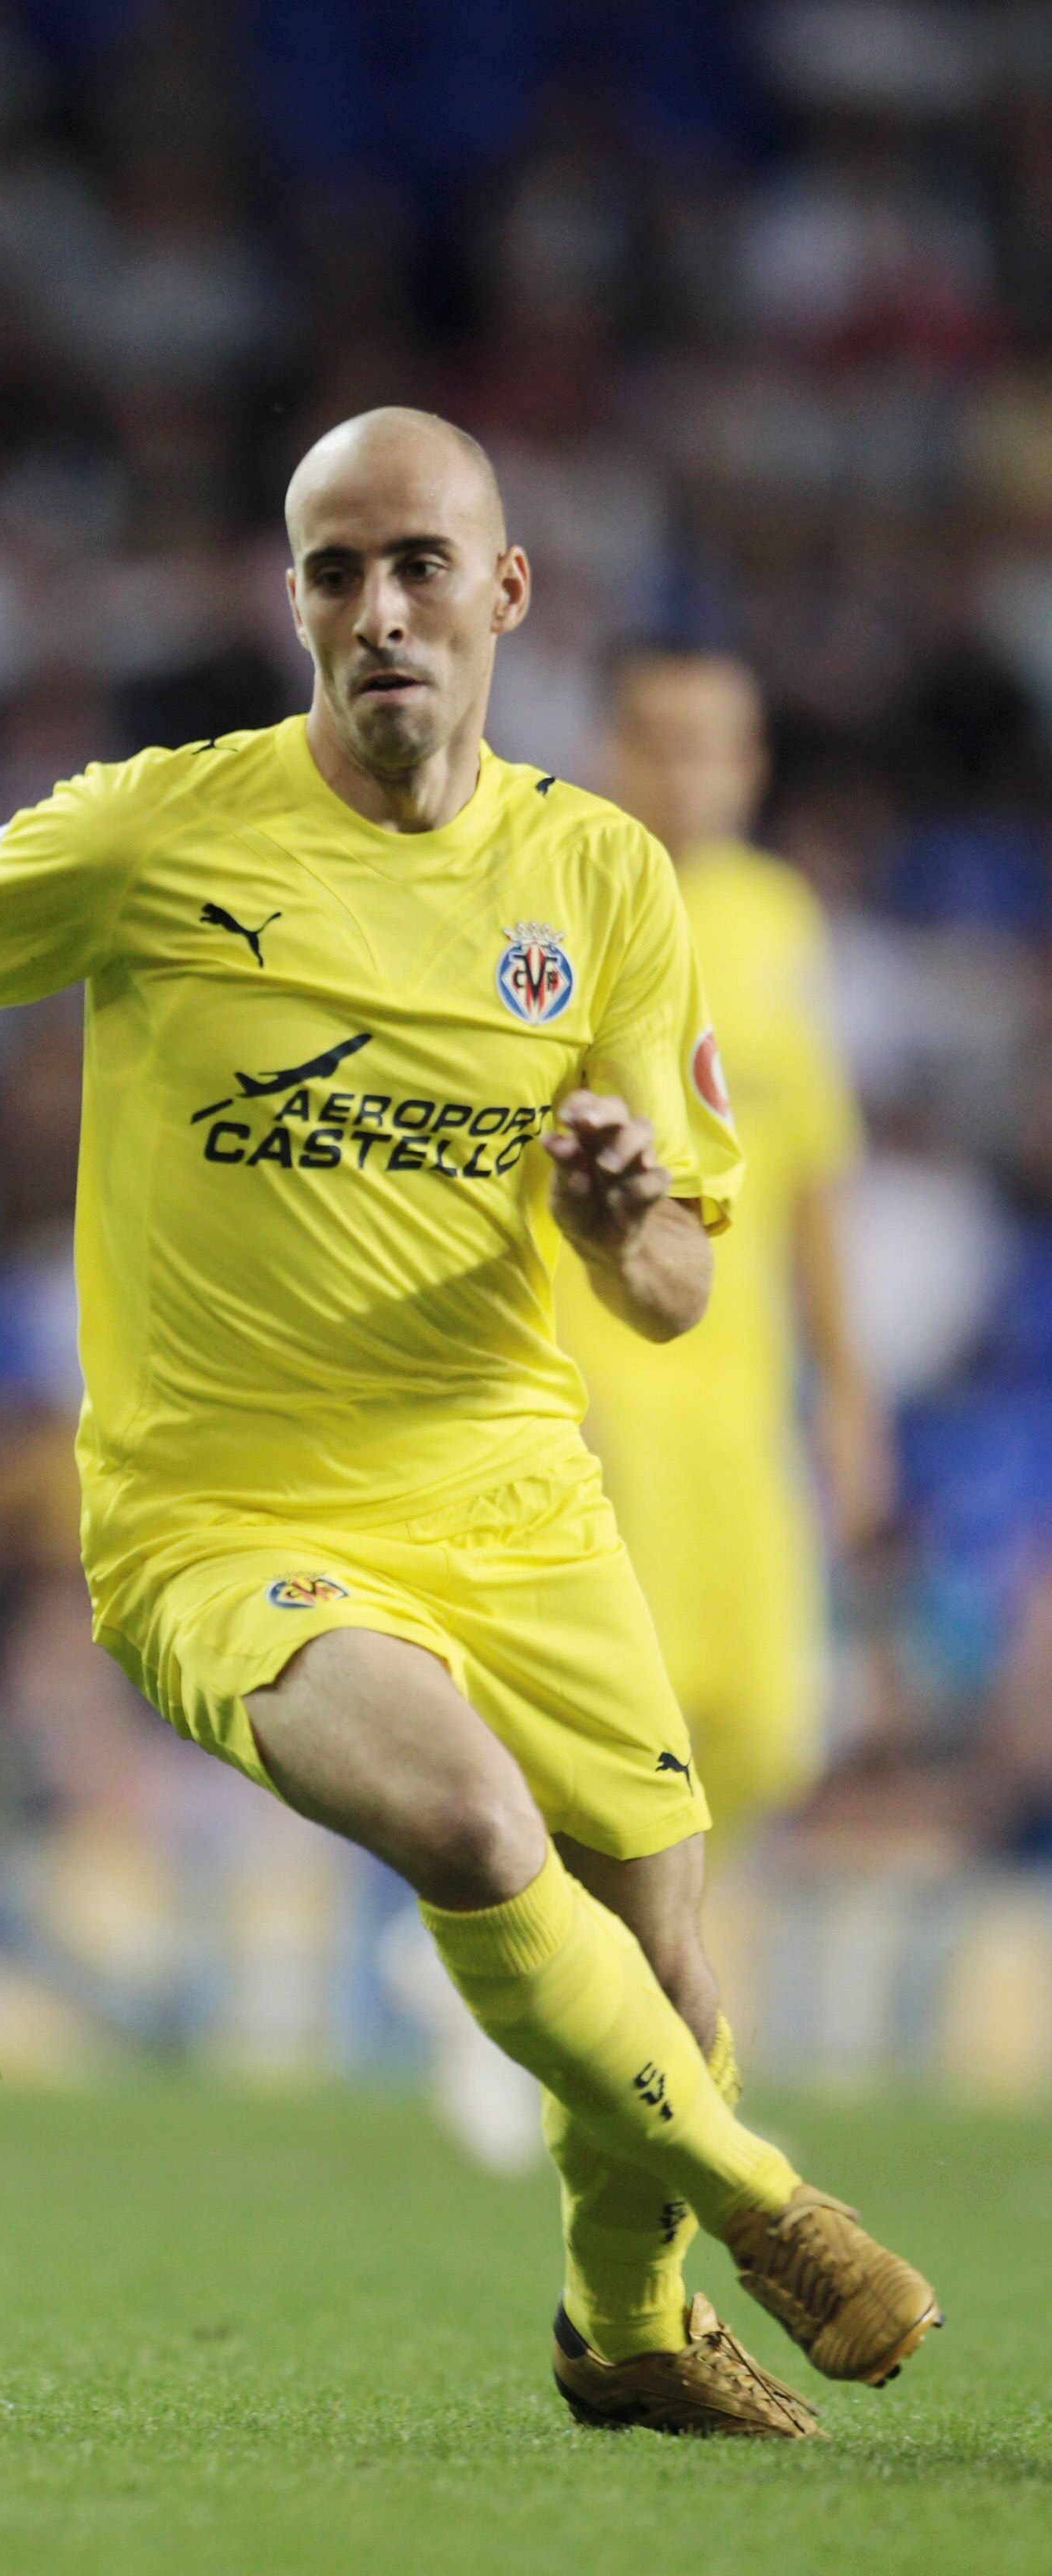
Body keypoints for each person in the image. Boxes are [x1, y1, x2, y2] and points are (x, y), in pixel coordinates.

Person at [0, 408, 937, 2437]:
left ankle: (623, 2330)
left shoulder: (602, 878)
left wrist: (623, 1224)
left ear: (508, 592)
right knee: (472, 1823)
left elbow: (680, 1282)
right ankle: (773, 2209)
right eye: (337, 572)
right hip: (223, 1515)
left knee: (670, 1964)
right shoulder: (157, 832)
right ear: (296, 603)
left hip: (514, 1492)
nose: (381, 610)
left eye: (421, 565)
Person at [556, 650, 892, 1834]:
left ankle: (609, 1936)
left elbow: (812, 1176)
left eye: (714, 748)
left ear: (752, 766)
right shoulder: (556, 905)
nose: (687, 774)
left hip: (745, 1396)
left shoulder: (777, 919)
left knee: (767, 1730)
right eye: (660, 742)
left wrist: (846, 1395)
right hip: (602, 1385)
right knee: (620, 1726)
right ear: (610, 749)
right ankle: (520, 1934)